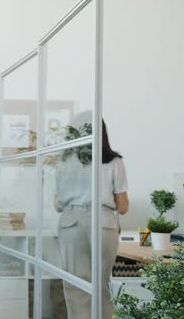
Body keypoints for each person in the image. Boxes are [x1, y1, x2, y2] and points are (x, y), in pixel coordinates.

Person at [55, 113, 129, 319]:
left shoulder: (65, 160)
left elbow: (57, 204)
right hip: (104, 223)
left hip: (72, 222)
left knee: (75, 285)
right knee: (101, 284)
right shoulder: (114, 161)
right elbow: (122, 206)